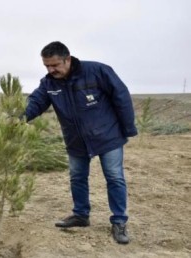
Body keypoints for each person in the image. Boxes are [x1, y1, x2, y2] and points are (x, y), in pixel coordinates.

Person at [25, 41, 138, 244]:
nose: (51, 70)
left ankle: (119, 221)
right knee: (77, 177)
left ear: (67, 59)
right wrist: (17, 117)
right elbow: (36, 102)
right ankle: (80, 215)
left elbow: (121, 97)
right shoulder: (49, 83)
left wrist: (127, 128)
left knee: (114, 177)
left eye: (55, 65)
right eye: (47, 66)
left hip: (108, 136)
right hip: (75, 139)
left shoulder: (97, 71)